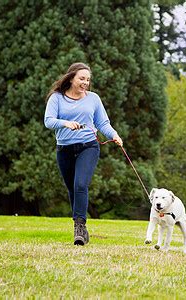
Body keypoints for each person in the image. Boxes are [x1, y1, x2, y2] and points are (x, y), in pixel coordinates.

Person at [44, 62, 123, 246]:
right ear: (71, 78)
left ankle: (79, 227)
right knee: (72, 189)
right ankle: (81, 226)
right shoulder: (57, 98)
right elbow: (48, 121)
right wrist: (65, 123)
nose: (85, 82)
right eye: (81, 78)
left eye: (87, 79)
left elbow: (102, 123)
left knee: (80, 184)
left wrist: (114, 135)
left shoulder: (93, 99)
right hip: (64, 149)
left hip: (88, 146)